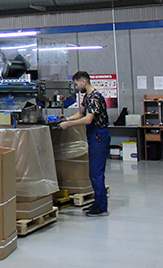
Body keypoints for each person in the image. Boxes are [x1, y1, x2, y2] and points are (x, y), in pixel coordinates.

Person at [60, 71, 110, 217]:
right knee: (93, 172)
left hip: (99, 136)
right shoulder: (87, 96)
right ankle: (97, 202)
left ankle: (102, 207)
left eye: (77, 84)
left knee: (96, 173)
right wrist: (67, 119)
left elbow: (88, 119)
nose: (76, 87)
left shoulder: (95, 97)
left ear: (84, 82)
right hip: (93, 136)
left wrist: (69, 125)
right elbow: (81, 113)